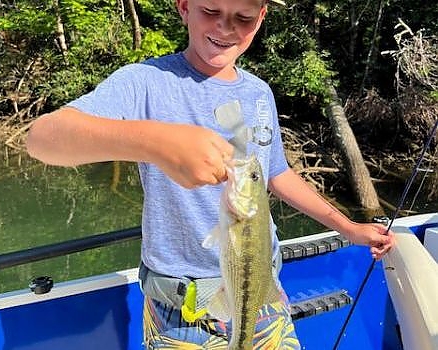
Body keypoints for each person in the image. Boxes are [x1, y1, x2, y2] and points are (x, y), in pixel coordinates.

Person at [26, 0, 395, 348]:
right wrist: (157, 142)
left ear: (261, 18)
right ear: (184, 7)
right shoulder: (145, 82)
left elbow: (275, 172)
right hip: (183, 315)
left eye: (243, 17)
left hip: (264, 298)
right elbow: (42, 139)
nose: (225, 26)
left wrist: (347, 226)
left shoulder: (259, 93)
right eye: (211, 9)